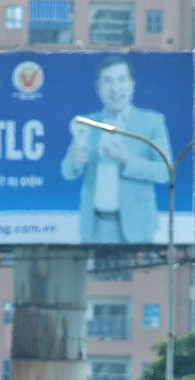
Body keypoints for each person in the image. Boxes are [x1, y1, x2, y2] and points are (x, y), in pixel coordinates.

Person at [61, 58, 171, 244]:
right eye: (108, 81)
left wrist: (127, 160)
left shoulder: (151, 122)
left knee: (139, 273)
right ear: (98, 88)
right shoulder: (88, 123)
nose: (115, 89)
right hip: (95, 226)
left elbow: (165, 172)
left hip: (138, 227)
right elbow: (66, 171)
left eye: (121, 80)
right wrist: (74, 161)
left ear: (132, 85)